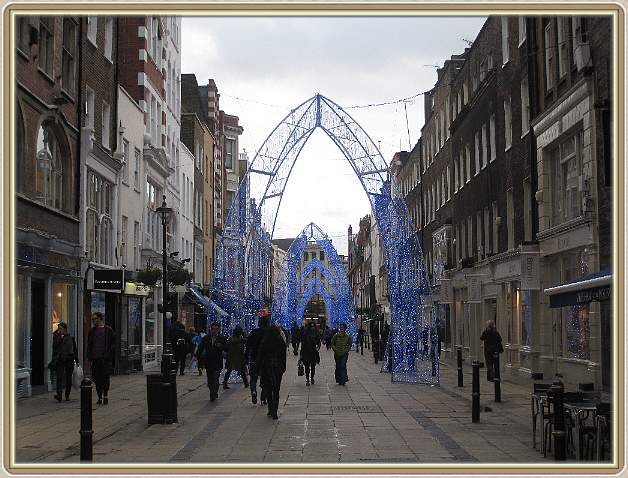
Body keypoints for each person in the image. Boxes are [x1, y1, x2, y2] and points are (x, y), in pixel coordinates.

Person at [257, 324, 287, 419]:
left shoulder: (265, 341)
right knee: (276, 390)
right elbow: (283, 355)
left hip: (267, 368)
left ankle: (270, 409)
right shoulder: (280, 341)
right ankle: (275, 411)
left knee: (269, 389)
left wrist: (258, 368)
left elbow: (260, 356)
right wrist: (283, 367)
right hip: (277, 368)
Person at [87, 312, 116, 405]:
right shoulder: (92, 331)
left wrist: (108, 355)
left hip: (105, 359)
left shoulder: (108, 330)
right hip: (95, 358)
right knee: (96, 378)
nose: (93, 321)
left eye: (95, 319)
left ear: (100, 319)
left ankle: (105, 395)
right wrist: (90, 357)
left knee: (105, 377)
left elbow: (113, 344)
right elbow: (89, 345)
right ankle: (99, 397)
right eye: (93, 319)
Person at [197, 322, 228, 401]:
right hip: (208, 361)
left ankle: (213, 393)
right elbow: (200, 347)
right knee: (210, 379)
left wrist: (221, 347)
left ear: (219, 329)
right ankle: (212, 391)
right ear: (210, 329)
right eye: (213, 329)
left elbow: (227, 348)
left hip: (217, 361)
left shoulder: (222, 338)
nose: (214, 331)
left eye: (216, 329)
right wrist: (199, 358)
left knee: (215, 378)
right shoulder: (206, 338)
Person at [51, 322, 78, 402]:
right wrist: (58, 338)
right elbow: (54, 347)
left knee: (68, 378)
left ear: (65, 329)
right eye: (59, 329)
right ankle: (59, 395)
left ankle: (67, 395)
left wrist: (77, 361)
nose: (59, 330)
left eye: (61, 329)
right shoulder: (57, 337)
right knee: (59, 377)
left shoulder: (71, 338)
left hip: (69, 359)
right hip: (60, 360)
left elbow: (74, 350)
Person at [246, 316, 269, 404]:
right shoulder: (268, 332)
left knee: (253, 377)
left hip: (254, 358)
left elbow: (248, 346)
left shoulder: (253, 332)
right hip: (265, 359)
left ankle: (253, 391)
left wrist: (246, 357)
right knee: (265, 377)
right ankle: (263, 396)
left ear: (259, 323)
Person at [300, 322, 321, 386]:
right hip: (306, 352)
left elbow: (318, 342)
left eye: (313, 327)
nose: (312, 328)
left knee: (313, 366)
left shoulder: (316, 333)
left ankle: (311, 378)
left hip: (313, 353)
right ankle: (307, 379)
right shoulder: (306, 333)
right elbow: (303, 344)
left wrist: (318, 347)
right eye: (311, 327)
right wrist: (301, 353)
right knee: (307, 366)